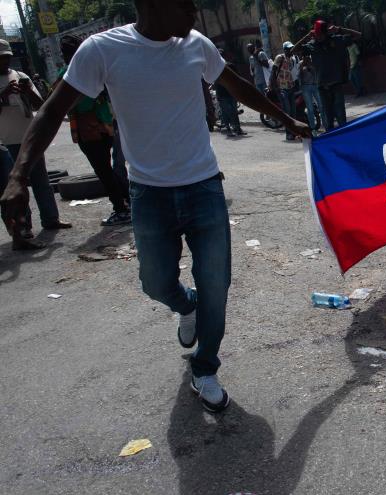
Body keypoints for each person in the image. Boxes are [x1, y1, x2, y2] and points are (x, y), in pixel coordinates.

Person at [0, 0, 311, 412]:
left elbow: (237, 86)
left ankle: (205, 367)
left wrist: (286, 119)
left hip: (204, 188)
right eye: (185, 5)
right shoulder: (102, 49)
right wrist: (18, 176)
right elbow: (52, 110)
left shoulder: (195, 44)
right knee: (155, 283)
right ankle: (187, 305)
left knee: (217, 286)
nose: (194, 13)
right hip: (150, 194)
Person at [0, 38, 71, 250]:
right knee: (14, 188)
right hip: (5, 142)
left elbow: (43, 107)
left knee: (41, 182)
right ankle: (23, 229)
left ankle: (51, 219)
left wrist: (28, 91)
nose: (4, 62)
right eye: (1, 58)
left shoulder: (21, 76)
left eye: (7, 58)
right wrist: (3, 96)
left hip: (29, 138)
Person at [59, 34, 131, 226]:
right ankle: (127, 203)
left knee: (104, 171)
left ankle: (122, 208)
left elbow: (75, 105)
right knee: (110, 169)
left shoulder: (71, 73)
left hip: (90, 130)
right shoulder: (96, 67)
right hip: (106, 126)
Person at [299, 20, 361, 131]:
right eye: (316, 34)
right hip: (322, 87)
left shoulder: (337, 40)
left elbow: (358, 35)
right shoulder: (312, 45)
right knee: (328, 120)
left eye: (319, 34)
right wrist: (307, 36)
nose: (317, 36)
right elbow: (293, 50)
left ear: (325, 33)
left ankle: (344, 139)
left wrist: (339, 29)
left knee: (341, 117)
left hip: (336, 85)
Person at [270, 41, 299, 141]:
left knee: (293, 112)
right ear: (285, 49)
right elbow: (273, 72)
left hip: (290, 87)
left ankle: (294, 132)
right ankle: (288, 134)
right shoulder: (280, 57)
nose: (291, 50)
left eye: (292, 48)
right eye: (289, 48)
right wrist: (275, 87)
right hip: (282, 89)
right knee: (287, 112)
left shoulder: (291, 59)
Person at [215, 49, 246, 137]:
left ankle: (237, 129)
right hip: (222, 94)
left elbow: (238, 78)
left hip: (232, 93)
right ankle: (228, 129)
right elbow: (214, 80)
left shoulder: (231, 66)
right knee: (226, 112)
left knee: (233, 112)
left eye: (221, 55)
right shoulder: (215, 68)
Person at [298, 47, 325, 131]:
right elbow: (299, 77)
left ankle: (326, 125)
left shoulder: (313, 62)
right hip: (305, 87)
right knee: (310, 108)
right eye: (304, 56)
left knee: (321, 106)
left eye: (307, 56)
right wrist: (302, 67)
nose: (306, 58)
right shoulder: (300, 64)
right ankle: (313, 128)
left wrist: (311, 66)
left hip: (315, 85)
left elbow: (317, 73)